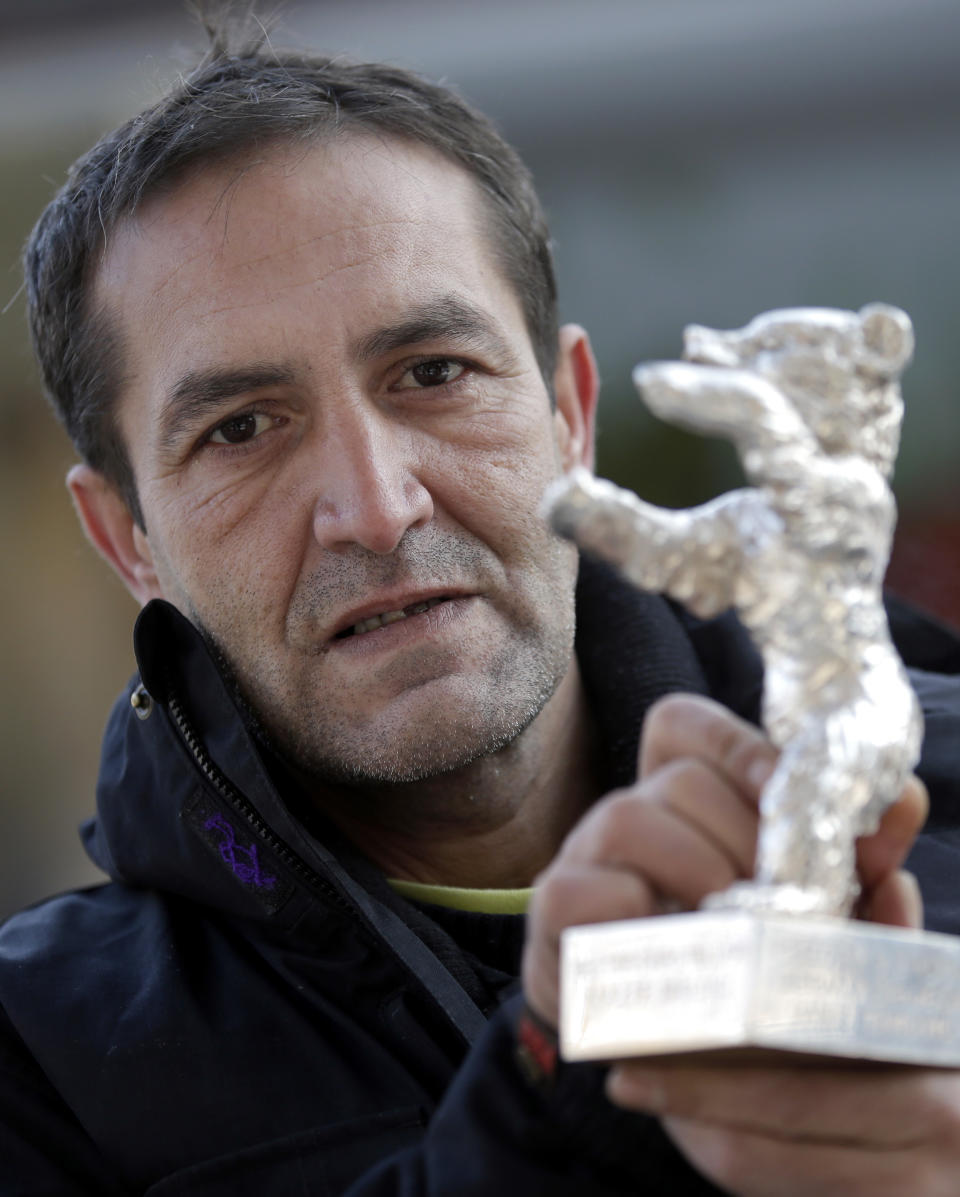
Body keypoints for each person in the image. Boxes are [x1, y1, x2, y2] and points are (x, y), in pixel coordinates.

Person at [5, 25, 960, 1196]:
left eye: (434, 372)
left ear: (572, 415)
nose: (375, 506)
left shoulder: (936, 792)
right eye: (241, 429)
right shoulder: (40, 1060)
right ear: (127, 539)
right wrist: (565, 1097)